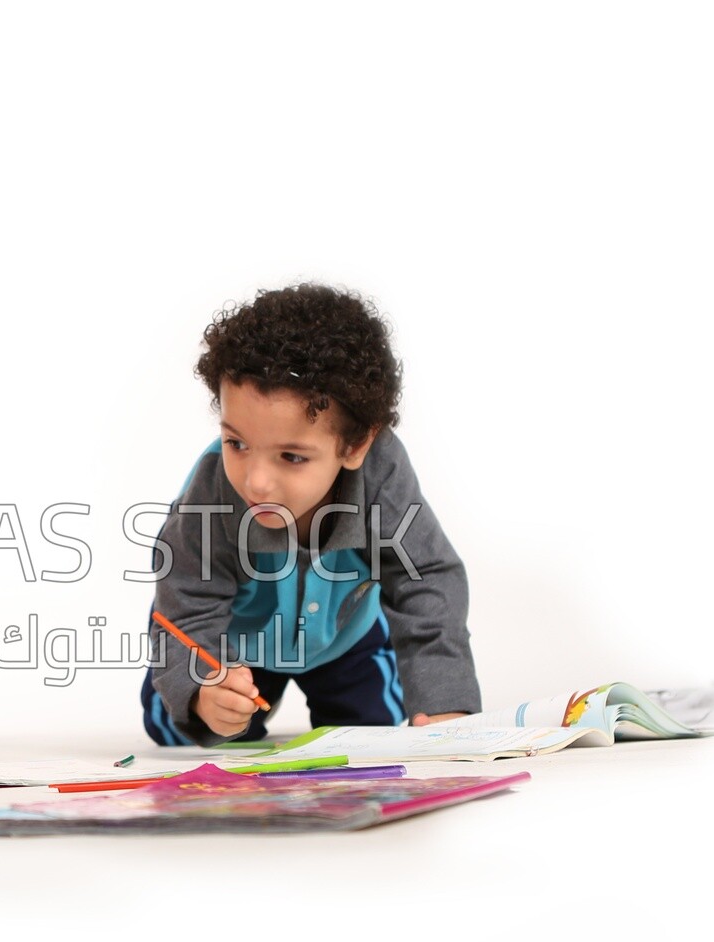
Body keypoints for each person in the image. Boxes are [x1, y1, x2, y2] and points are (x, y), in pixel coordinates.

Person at [141, 283, 480, 745]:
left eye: (292, 457)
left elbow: (426, 578)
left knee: (371, 738)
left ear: (356, 445)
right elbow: (185, 604)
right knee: (184, 732)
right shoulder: (211, 495)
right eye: (236, 443)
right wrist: (204, 693)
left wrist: (446, 705)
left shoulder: (382, 476)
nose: (256, 481)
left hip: (344, 639)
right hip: (234, 645)